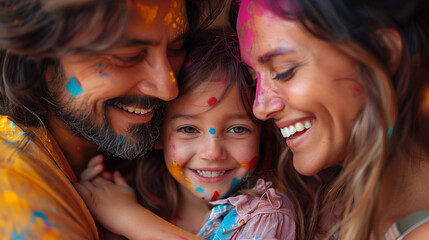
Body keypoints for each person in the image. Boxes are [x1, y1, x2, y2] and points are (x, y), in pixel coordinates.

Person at [0, 0, 226, 239]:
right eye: (128, 56)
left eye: (175, 48)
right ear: (37, 58)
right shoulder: (17, 193)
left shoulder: (133, 159)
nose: (167, 89)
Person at [76, 28, 299, 240]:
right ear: (157, 134)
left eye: (237, 129)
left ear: (261, 133)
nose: (212, 152)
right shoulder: (139, 199)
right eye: (188, 129)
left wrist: (130, 219)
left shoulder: (267, 214)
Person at [235, 0, 429, 239]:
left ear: (385, 53)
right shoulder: (320, 208)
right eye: (254, 79)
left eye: (284, 70)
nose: (259, 108)